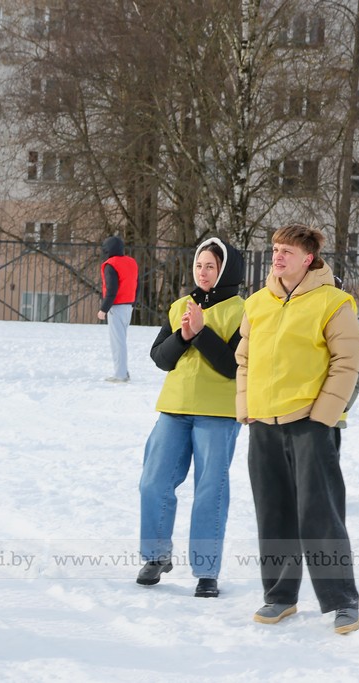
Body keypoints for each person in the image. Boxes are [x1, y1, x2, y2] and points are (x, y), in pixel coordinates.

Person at [235, 224, 359, 635]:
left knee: (320, 514)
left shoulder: (334, 302)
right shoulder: (256, 303)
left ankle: (342, 602)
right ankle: (279, 596)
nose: (278, 256)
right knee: (272, 511)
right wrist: (246, 408)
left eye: (287, 251)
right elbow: (244, 360)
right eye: (275, 249)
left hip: (311, 424)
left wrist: (323, 416)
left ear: (308, 258)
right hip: (263, 424)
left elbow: (347, 361)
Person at [137, 238, 245, 599]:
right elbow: (160, 358)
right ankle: (156, 556)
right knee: (153, 483)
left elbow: (235, 367)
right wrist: (183, 337)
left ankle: (206, 570)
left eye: (211, 266)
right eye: (199, 265)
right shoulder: (180, 306)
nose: (203, 272)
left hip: (218, 413)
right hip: (174, 408)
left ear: (226, 271)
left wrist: (201, 333)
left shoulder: (243, 312)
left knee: (210, 491)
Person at [97, 235, 138, 382]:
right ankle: (123, 372)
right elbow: (137, 284)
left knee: (117, 342)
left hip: (117, 306)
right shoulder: (131, 262)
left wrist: (104, 309)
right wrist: (133, 303)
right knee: (121, 340)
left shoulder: (111, 265)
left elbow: (112, 290)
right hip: (128, 306)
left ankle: (120, 375)